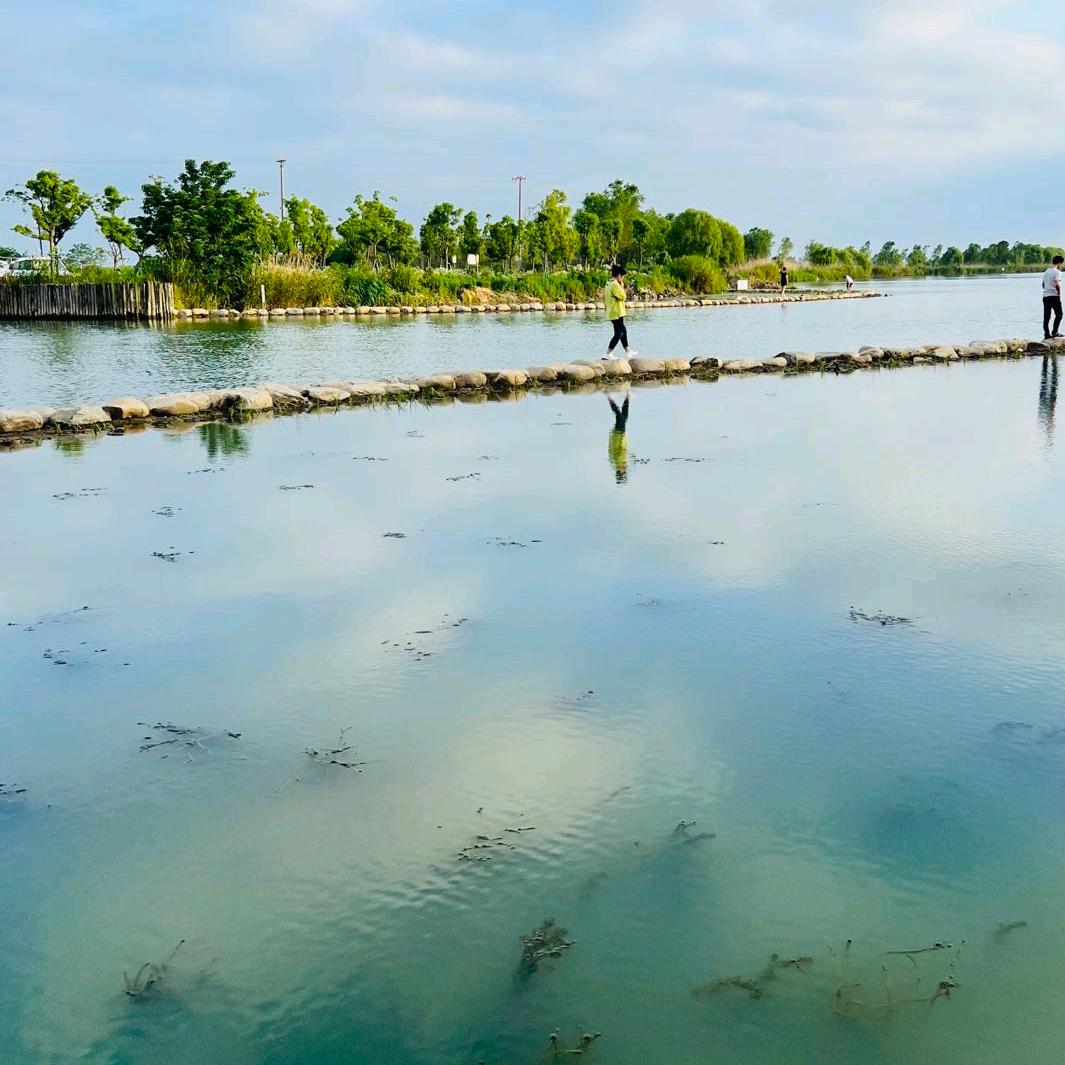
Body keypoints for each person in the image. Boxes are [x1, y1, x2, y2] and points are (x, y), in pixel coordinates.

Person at [604, 264, 637, 359]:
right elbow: (623, 296)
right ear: (619, 275)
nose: (623, 279)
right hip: (616, 312)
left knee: (623, 331)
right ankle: (608, 353)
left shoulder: (608, 282)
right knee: (619, 333)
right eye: (623, 277)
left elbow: (618, 295)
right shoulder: (614, 284)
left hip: (614, 311)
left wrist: (623, 289)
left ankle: (628, 351)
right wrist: (624, 289)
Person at [607, 390, 630, 483]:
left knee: (619, 415)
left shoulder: (617, 462)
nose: (625, 471)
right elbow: (622, 451)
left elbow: (619, 450)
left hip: (618, 435)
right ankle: (628, 396)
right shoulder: (618, 463)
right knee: (624, 416)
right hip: (621, 435)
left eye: (623, 472)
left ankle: (609, 397)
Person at [1042, 254, 1064, 339]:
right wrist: (1059, 294)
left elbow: (1043, 284)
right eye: (1061, 264)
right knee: (1059, 314)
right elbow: (1057, 285)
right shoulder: (1057, 272)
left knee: (1046, 316)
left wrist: (1047, 289)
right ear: (1059, 263)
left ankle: (1046, 334)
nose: (1060, 266)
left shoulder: (1046, 271)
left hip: (1046, 296)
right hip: (1054, 295)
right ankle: (1055, 332)